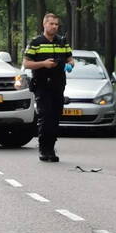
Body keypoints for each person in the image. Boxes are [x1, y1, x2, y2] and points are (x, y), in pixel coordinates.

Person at [23, 13, 75, 162]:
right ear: (44, 24)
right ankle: (43, 149)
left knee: (55, 117)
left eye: (56, 24)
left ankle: (51, 149)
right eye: (51, 24)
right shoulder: (36, 42)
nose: (54, 27)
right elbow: (26, 63)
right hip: (42, 84)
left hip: (58, 84)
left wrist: (70, 65)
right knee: (45, 116)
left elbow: (70, 59)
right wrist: (43, 64)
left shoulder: (62, 42)